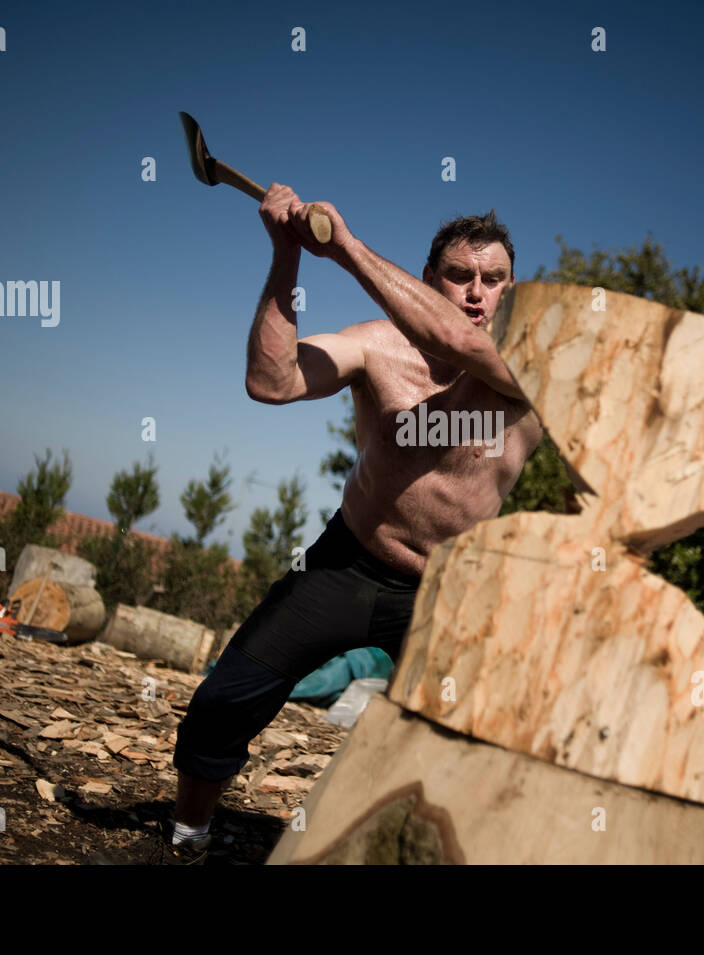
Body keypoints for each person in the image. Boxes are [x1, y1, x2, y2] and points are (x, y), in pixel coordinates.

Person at [102, 186, 543, 864]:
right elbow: (270, 380)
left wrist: (344, 246)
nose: (477, 293)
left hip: (449, 590)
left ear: (513, 291)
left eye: (494, 280)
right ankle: (188, 841)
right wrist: (287, 258)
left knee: (474, 751)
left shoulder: (532, 368)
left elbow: (452, 337)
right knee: (225, 698)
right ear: (430, 279)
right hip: (347, 561)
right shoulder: (378, 349)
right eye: (460, 275)